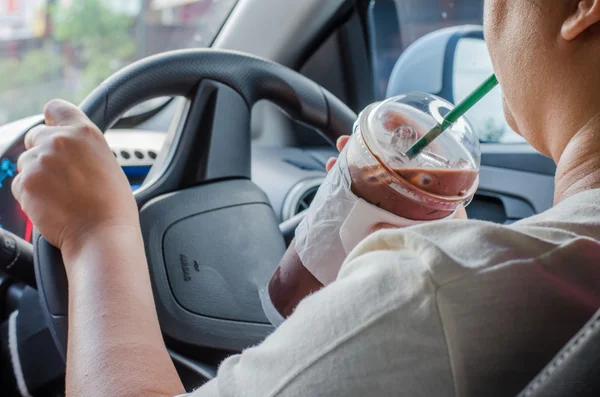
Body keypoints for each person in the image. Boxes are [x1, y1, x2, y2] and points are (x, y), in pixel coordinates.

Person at [11, 0, 600, 395]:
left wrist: (97, 233)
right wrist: (439, 243)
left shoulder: (432, 292)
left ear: (579, 8)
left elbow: (438, 301)